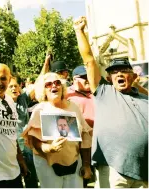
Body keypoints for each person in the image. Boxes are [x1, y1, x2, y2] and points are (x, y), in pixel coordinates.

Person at [74, 16, 148, 188]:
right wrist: (80, 31)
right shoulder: (104, 92)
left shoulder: (145, 99)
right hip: (114, 169)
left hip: (145, 170)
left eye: (124, 70)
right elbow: (89, 61)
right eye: (115, 72)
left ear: (134, 76)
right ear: (109, 78)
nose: (119, 74)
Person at [22, 72, 92, 188]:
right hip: (47, 164)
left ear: (62, 87)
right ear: (43, 90)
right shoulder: (40, 110)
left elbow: (84, 136)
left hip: (74, 163)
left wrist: (86, 164)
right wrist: (49, 148)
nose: (54, 86)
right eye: (48, 84)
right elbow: (34, 140)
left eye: (57, 83)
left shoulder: (73, 107)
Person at [7, 76, 38, 188]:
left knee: (31, 177)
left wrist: (46, 63)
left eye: (16, 85)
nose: (14, 88)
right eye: (10, 86)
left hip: (26, 146)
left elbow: (38, 84)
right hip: (11, 147)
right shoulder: (1, 103)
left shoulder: (23, 99)